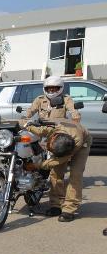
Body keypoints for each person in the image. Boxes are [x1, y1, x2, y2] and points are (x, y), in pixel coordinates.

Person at [23, 75, 82, 217]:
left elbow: (73, 111)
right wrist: (25, 119)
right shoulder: (39, 99)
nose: (51, 91)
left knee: (59, 172)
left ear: (60, 88)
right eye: (49, 88)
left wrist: (75, 117)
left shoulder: (66, 99)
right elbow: (29, 112)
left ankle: (61, 206)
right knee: (27, 145)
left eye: (55, 88)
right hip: (43, 131)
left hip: (60, 133)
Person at [23, 119, 91, 222]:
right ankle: (56, 205)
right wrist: (28, 126)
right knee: (55, 173)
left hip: (83, 145)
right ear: (54, 137)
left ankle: (69, 209)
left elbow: (58, 161)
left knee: (75, 175)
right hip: (64, 136)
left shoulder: (77, 142)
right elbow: (40, 130)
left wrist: (37, 165)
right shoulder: (53, 129)